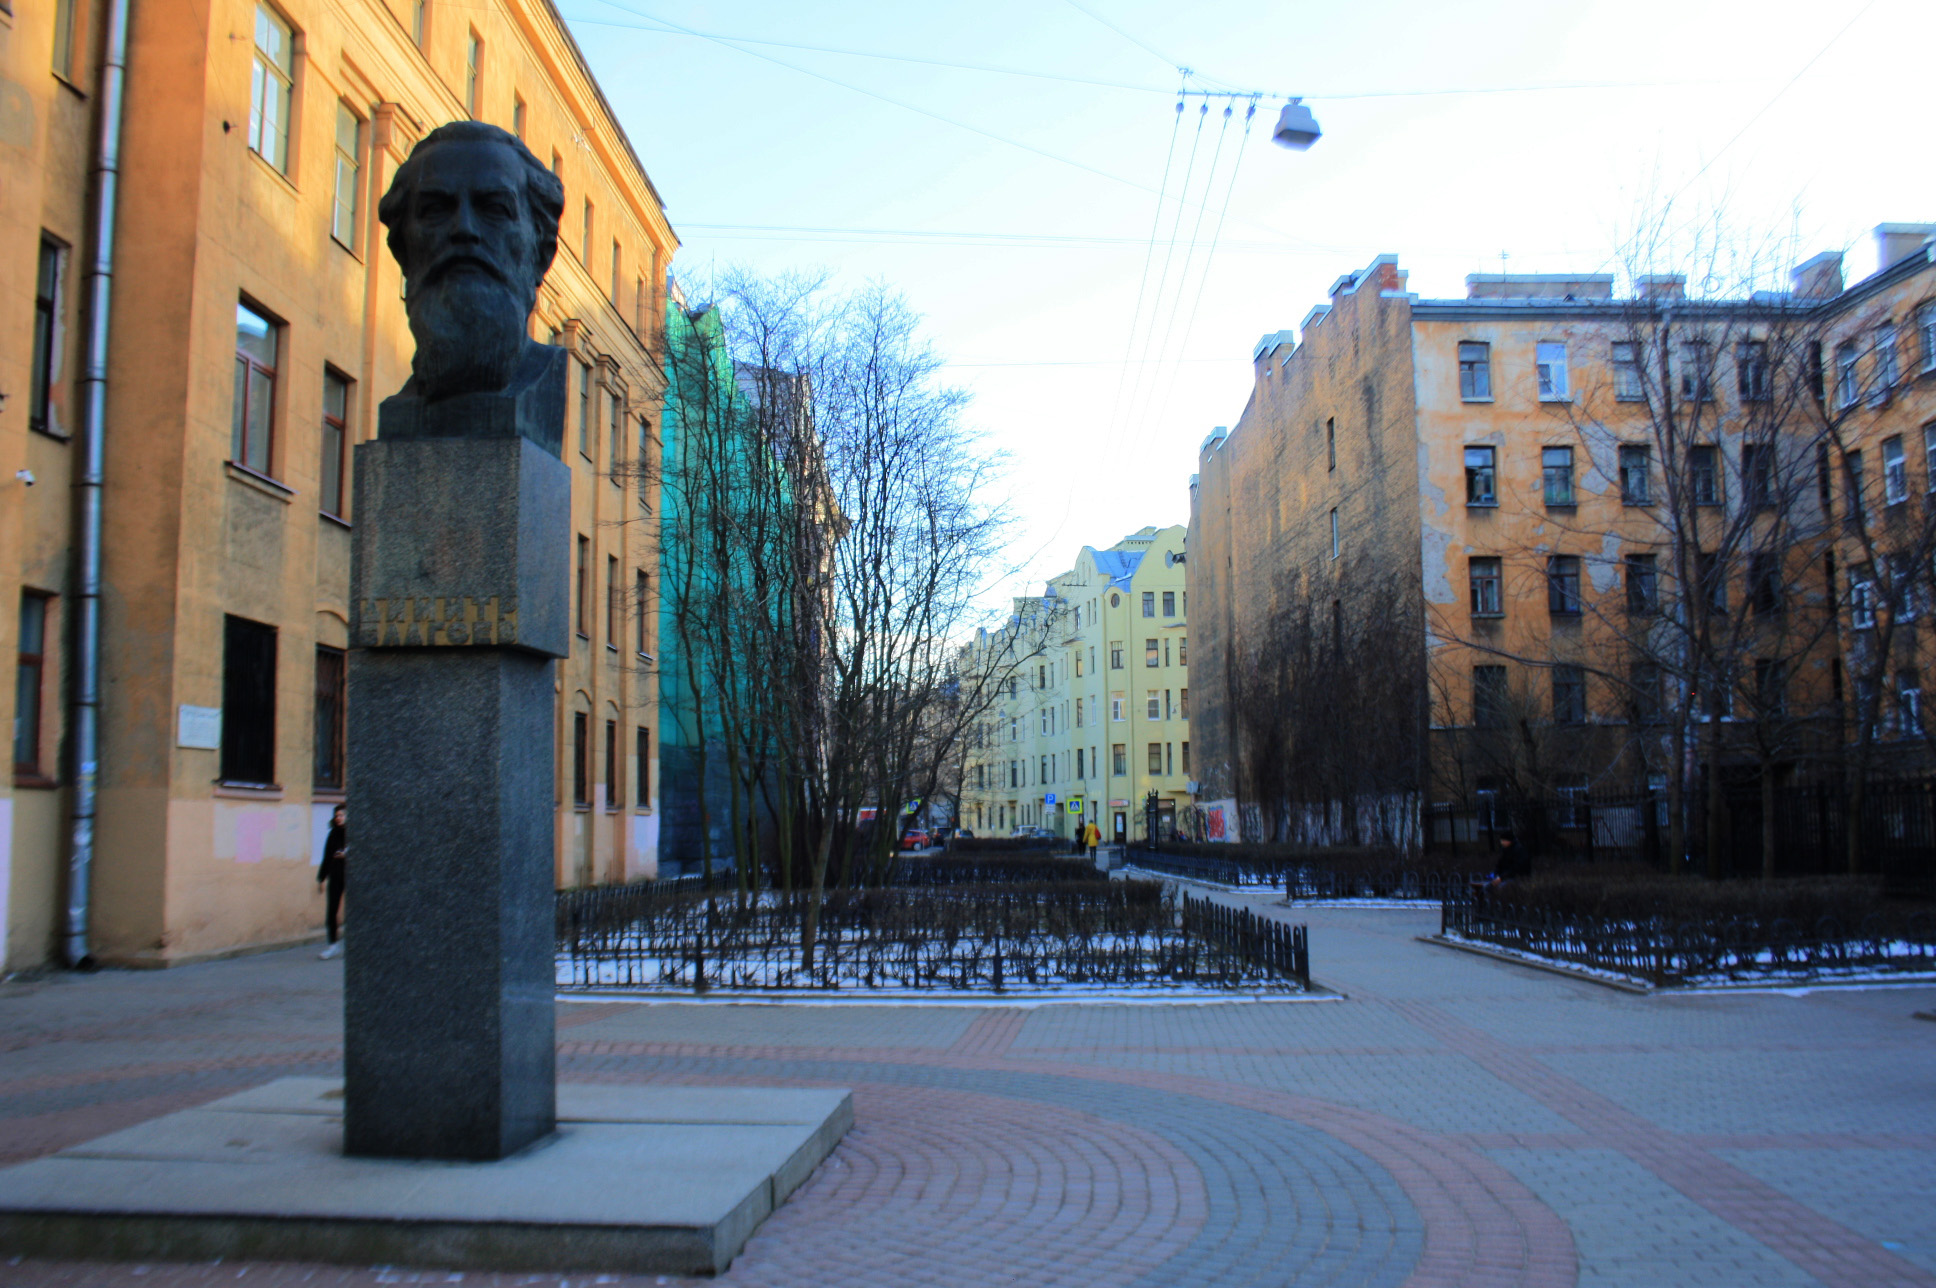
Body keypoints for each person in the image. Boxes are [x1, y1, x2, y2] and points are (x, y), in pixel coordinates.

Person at [318, 805, 347, 959]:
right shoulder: (333, 835)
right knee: (332, 911)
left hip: (351, 876)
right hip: (336, 876)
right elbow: (327, 857)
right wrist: (321, 878)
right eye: (337, 815)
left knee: (354, 912)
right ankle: (332, 945)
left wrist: (347, 854)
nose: (339, 818)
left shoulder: (354, 833)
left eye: (342, 815)